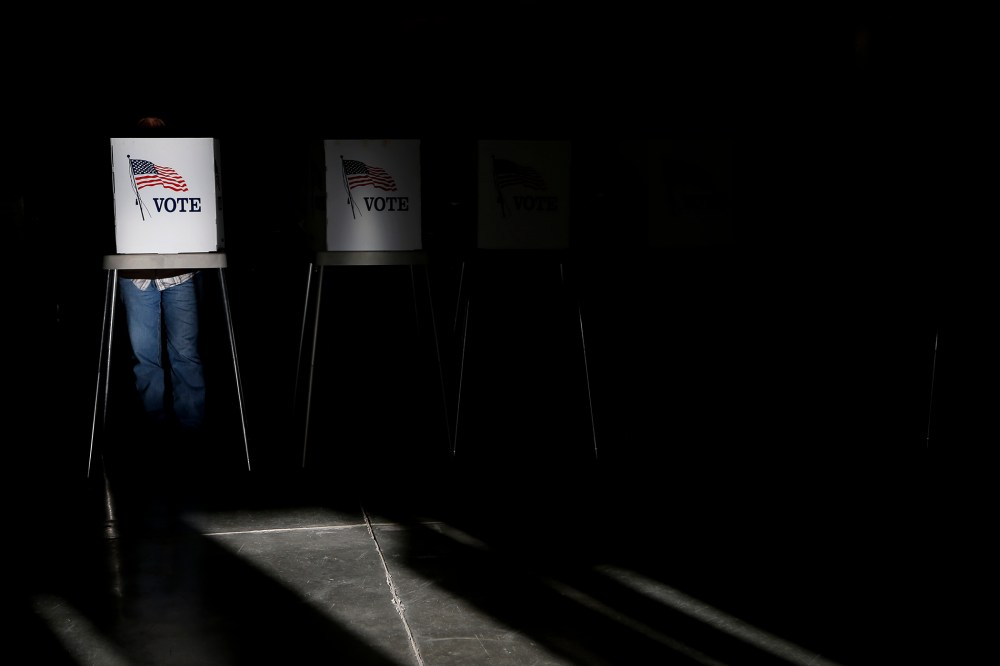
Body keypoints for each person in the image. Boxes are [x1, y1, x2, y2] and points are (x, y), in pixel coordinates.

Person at [117, 116, 206, 442]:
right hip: (135, 272)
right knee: (145, 357)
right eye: (144, 122)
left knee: (185, 354)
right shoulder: (121, 159)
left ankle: (191, 430)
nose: (151, 128)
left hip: (179, 269)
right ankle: (154, 430)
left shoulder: (183, 159)